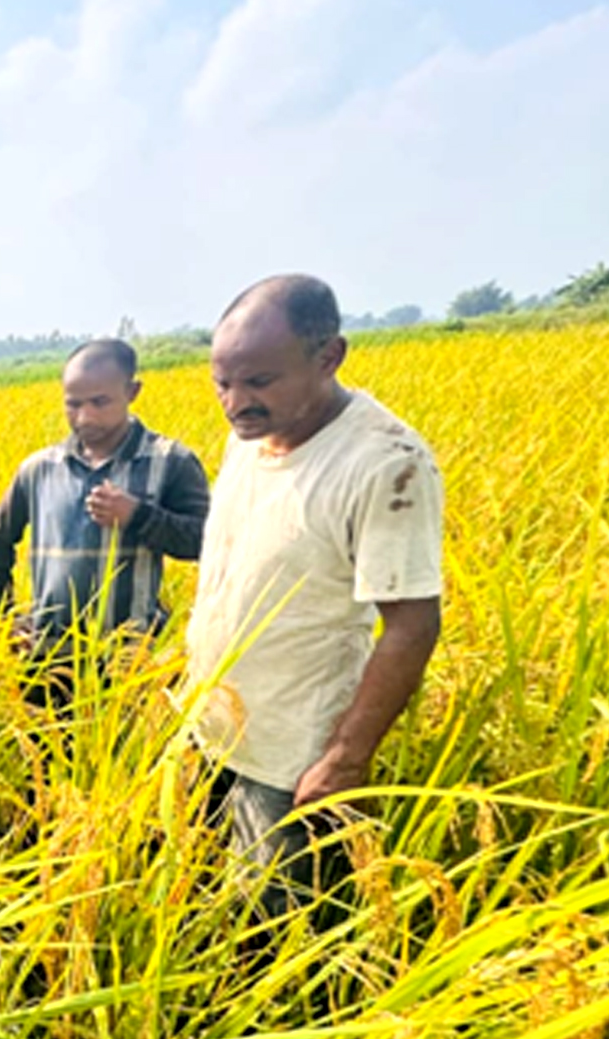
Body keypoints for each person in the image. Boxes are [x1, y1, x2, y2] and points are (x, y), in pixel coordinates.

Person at [187, 274, 444, 914]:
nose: (235, 403)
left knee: (270, 927)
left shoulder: (386, 463)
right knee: (199, 903)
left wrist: (346, 759)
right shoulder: (249, 438)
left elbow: (412, 625)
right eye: (222, 383)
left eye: (258, 381)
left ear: (329, 356)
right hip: (209, 730)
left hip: (290, 755)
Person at [0, 338, 211, 708]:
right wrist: (2, 617)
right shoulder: (39, 469)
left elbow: (207, 542)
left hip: (132, 662)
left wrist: (137, 515)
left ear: (132, 392)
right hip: (49, 660)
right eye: (73, 404)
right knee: (44, 744)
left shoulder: (170, 461)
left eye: (100, 402)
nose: (85, 417)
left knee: (130, 743)